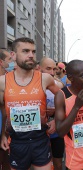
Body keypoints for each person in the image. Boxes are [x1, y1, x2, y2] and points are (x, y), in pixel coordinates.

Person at [0, 37, 59, 170]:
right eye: (25, 51)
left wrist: (56, 120)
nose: (31, 55)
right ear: (13, 55)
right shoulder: (2, 82)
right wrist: (4, 134)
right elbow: (3, 110)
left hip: (41, 141)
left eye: (33, 51)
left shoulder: (45, 78)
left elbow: (63, 97)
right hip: (17, 142)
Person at [39, 57, 64, 170]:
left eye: (54, 69)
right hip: (38, 134)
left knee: (58, 164)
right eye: (48, 69)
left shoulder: (59, 86)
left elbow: (67, 107)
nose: (52, 72)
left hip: (56, 131)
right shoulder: (31, 86)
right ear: (39, 69)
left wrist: (55, 117)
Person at [0, 49, 14, 170]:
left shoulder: (11, 79)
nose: (12, 62)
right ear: (1, 62)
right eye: (9, 59)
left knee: (6, 162)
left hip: (8, 132)